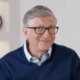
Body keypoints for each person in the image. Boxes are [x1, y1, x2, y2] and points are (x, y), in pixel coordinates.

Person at [0, 5, 80, 80]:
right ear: (26, 32)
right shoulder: (6, 64)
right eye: (39, 28)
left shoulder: (70, 57)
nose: (47, 35)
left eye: (51, 28)